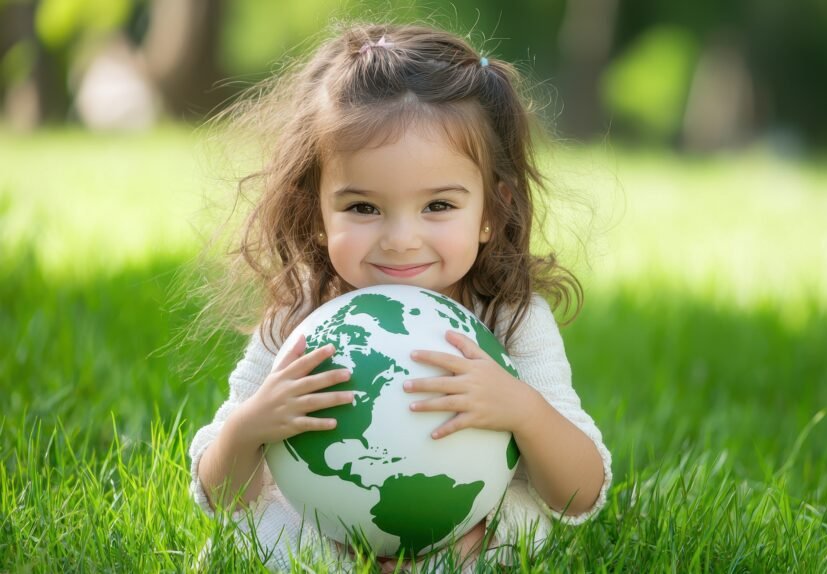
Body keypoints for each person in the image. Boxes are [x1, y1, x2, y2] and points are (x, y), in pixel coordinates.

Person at [188, 21, 612, 572]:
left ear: (492, 211)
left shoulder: (508, 315)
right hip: (324, 521)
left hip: (472, 525)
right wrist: (252, 424)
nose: (400, 238)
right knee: (257, 531)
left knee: (522, 523)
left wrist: (521, 408)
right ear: (315, 212)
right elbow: (219, 495)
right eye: (363, 207)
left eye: (438, 206)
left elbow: (580, 494)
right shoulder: (302, 316)